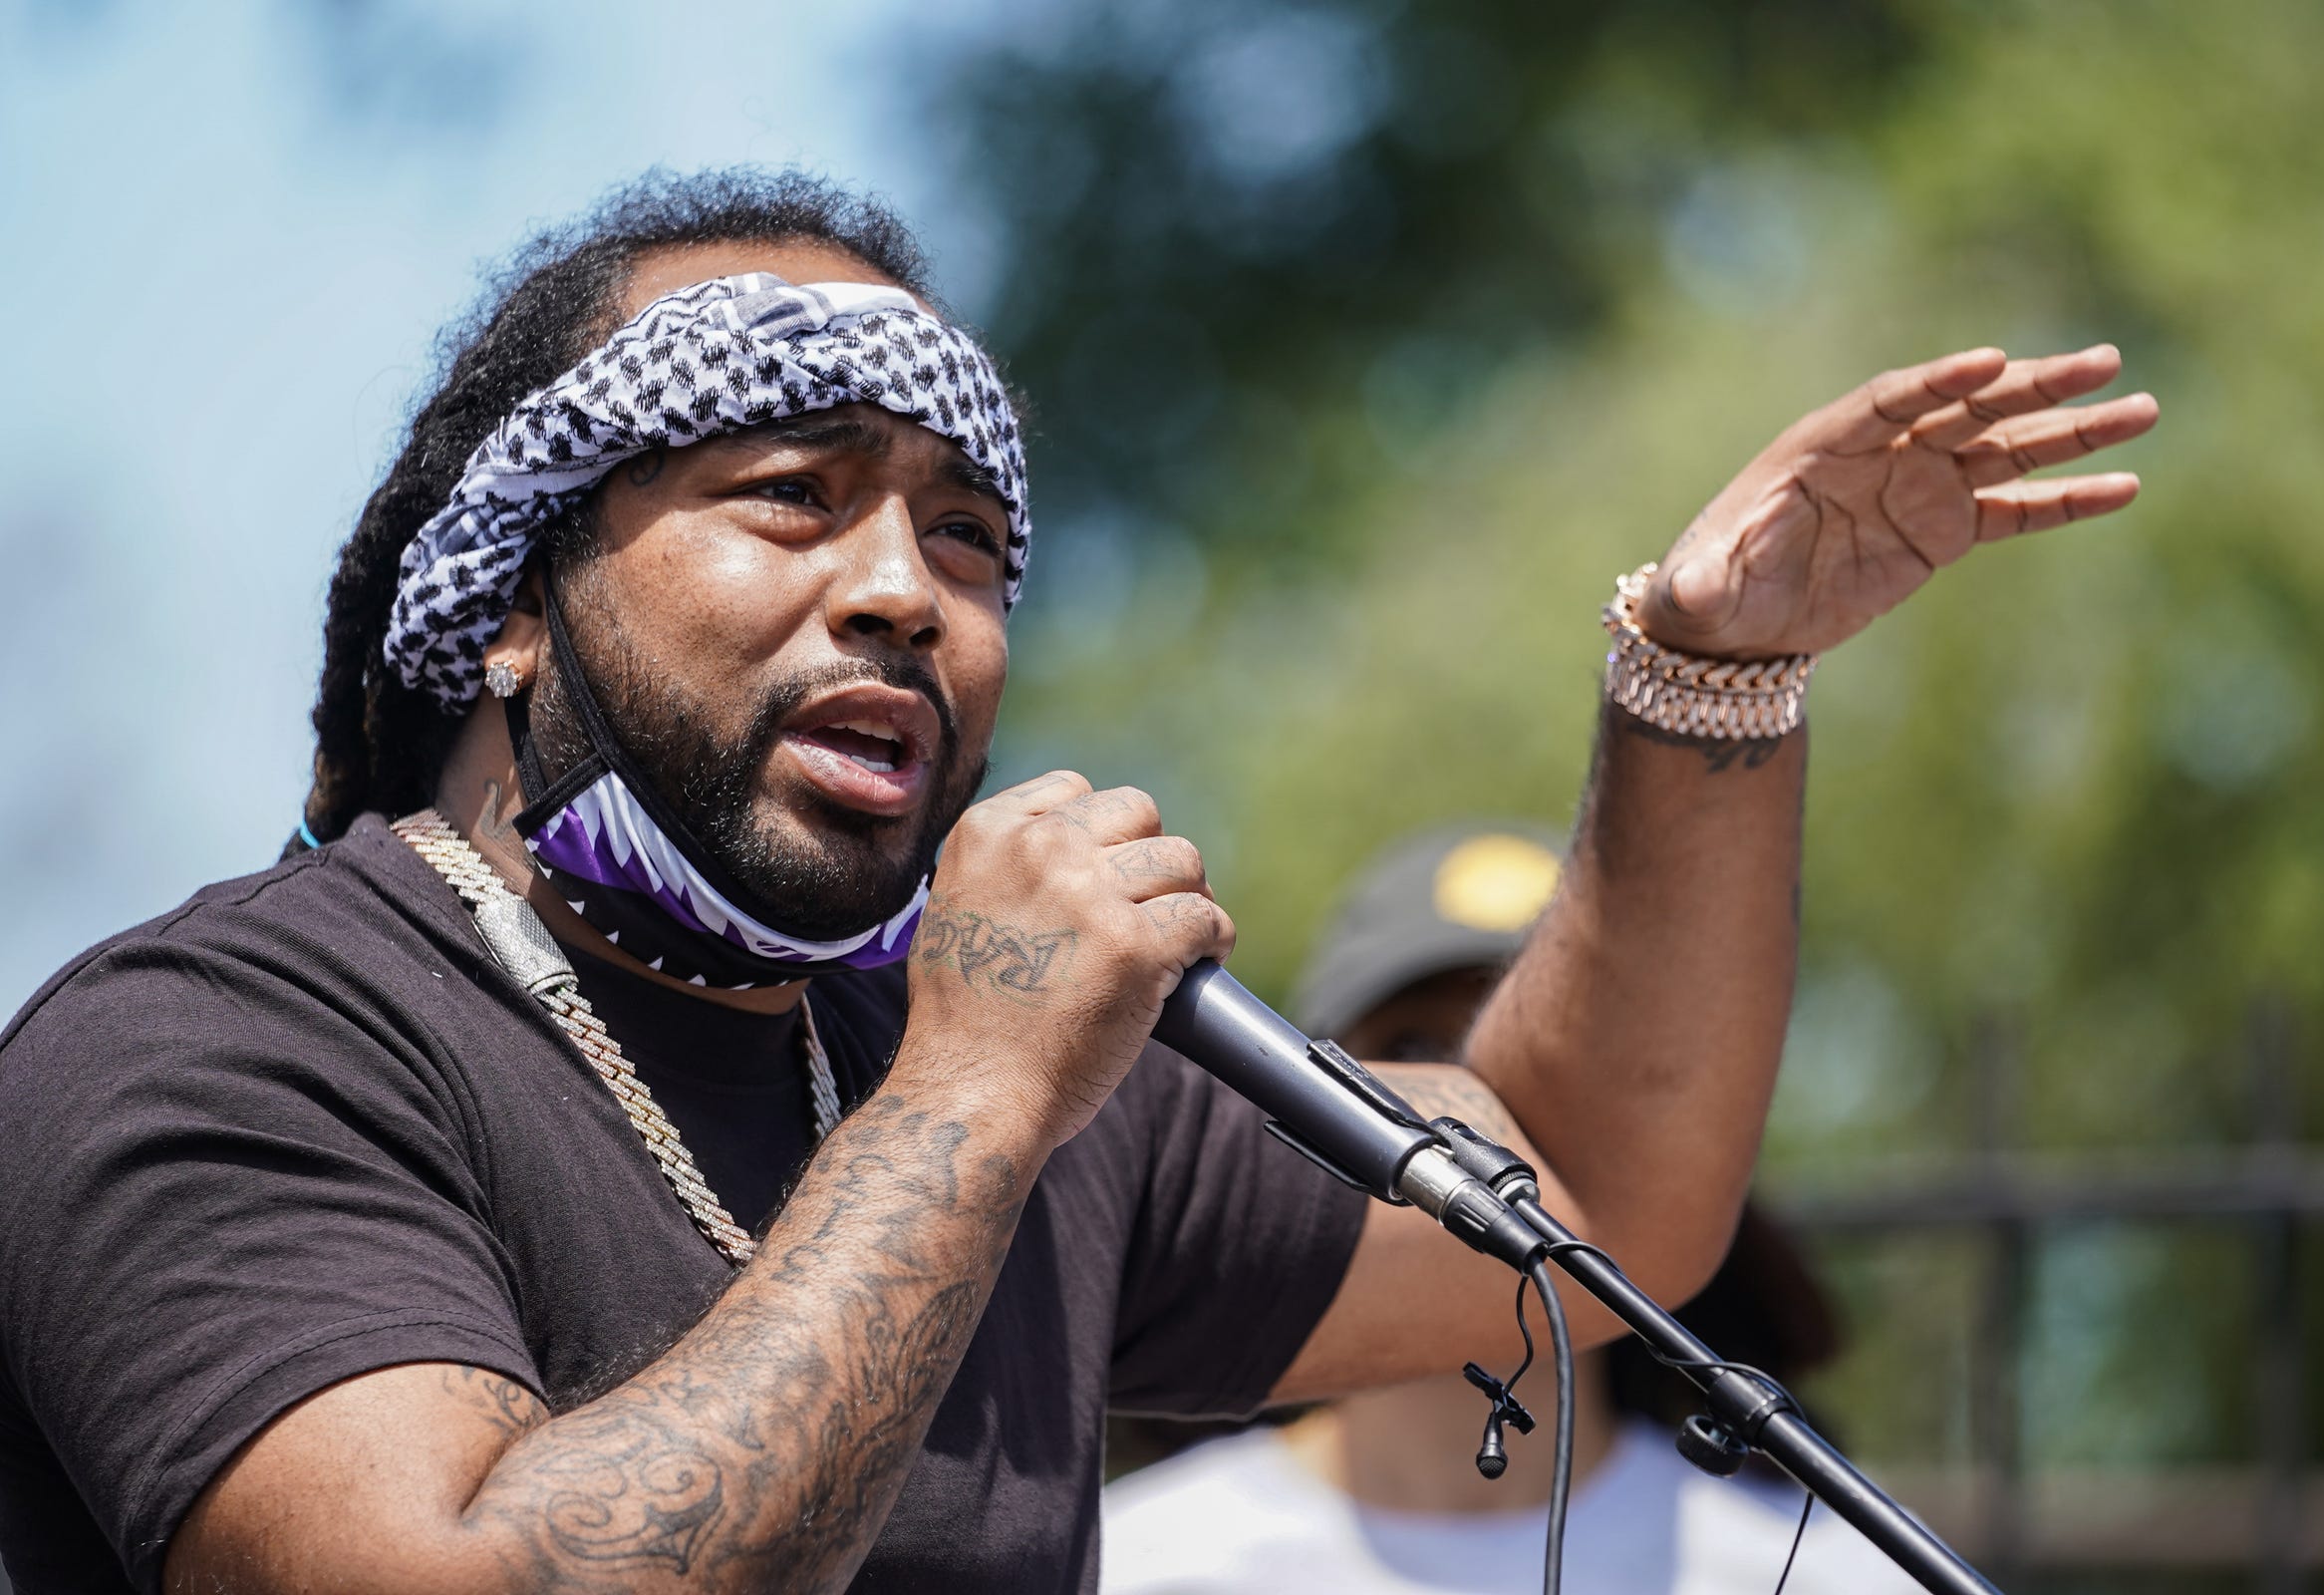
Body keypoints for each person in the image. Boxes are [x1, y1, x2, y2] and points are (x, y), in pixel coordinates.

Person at [0, 167, 2156, 1595]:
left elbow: (1598, 1193)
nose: (898, 592)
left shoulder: (1013, 1067)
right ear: (510, 603)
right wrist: (972, 1098)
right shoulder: (217, 1043)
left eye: (964, 535)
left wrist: (1704, 675)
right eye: (791, 495)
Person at [1102, 823, 1916, 1594]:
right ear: (1300, 1105)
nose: (1483, 1110)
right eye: (1419, 1051)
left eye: (1554, 1061)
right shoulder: (1130, 1565)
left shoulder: (1826, 1572)